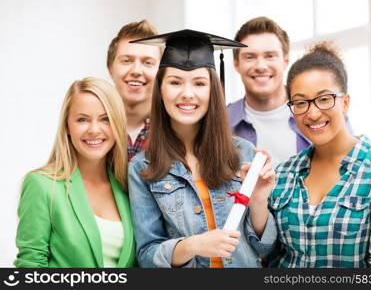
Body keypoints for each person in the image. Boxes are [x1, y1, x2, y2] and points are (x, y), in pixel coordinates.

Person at [128, 29, 277, 268]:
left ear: (213, 90)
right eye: (175, 82)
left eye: (199, 83)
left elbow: (266, 249)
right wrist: (193, 245)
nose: (187, 94)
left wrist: (259, 201)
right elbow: (147, 256)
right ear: (161, 89)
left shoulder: (244, 153)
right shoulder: (142, 168)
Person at [268, 42, 371, 267]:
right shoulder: (283, 173)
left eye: (324, 99)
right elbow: (271, 257)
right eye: (301, 102)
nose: (312, 113)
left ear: (345, 102)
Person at [14, 78, 136, 268]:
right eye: (82, 120)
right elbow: (30, 266)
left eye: (105, 119)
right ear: (67, 127)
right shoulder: (42, 185)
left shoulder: (128, 186)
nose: (94, 130)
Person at [228, 17, 310, 168]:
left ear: (285, 61)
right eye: (249, 57)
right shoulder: (221, 122)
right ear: (236, 65)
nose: (260, 66)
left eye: (270, 56)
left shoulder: (317, 114)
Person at [107, 20, 161, 161]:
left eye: (148, 62)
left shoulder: (176, 130)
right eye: (126, 61)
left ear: (162, 73)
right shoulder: (94, 130)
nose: (136, 71)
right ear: (110, 69)